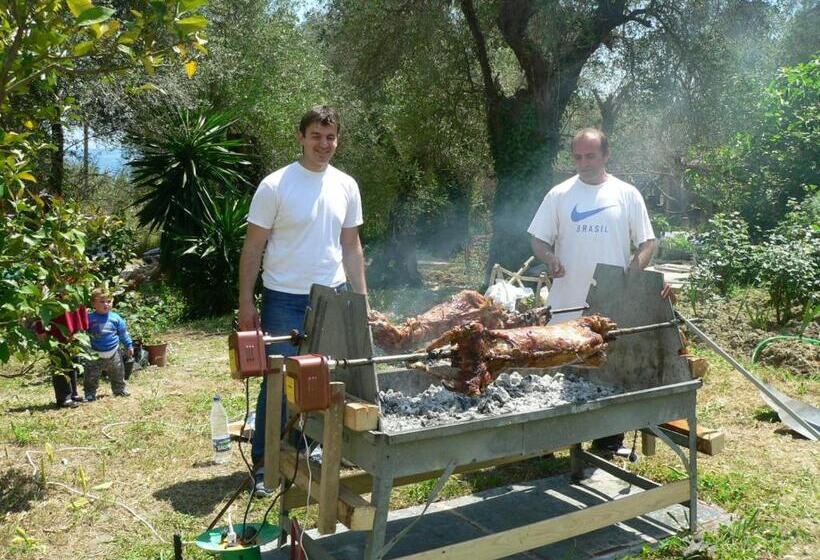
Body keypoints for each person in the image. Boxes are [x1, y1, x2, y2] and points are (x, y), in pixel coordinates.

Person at [238, 105, 367, 496]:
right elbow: (253, 247)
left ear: (337, 140)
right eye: (316, 136)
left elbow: (352, 246)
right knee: (275, 382)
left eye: (330, 137)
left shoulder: (347, 185)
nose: (323, 144)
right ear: (301, 137)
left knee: (326, 379)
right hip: (284, 298)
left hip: (333, 296)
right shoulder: (275, 185)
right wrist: (246, 302)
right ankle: (265, 464)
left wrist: (359, 302)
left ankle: (309, 448)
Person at [527, 127, 669, 453]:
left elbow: (647, 242)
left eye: (590, 156)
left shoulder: (627, 194)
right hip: (566, 304)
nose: (583, 163)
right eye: (577, 157)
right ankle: (556, 441)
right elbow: (538, 239)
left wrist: (633, 273)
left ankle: (607, 442)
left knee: (607, 370)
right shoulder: (559, 195)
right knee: (562, 374)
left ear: (606, 155)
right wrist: (550, 258)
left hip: (609, 305)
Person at [84, 288, 133, 401]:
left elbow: (123, 333)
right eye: (102, 301)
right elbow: (81, 332)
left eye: (109, 301)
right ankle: (90, 393)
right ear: (93, 304)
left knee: (118, 372)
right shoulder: (89, 318)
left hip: (113, 352)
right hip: (94, 354)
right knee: (91, 376)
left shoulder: (116, 318)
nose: (106, 304)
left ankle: (119, 390)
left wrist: (129, 345)